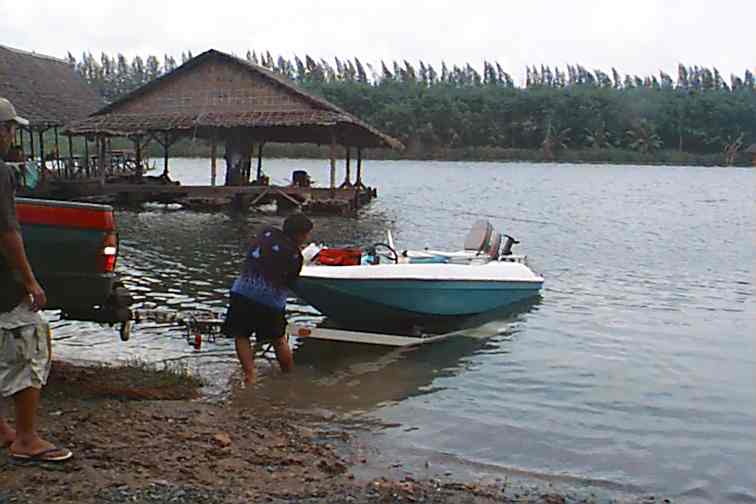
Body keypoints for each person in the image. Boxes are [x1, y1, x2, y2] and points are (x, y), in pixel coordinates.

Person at [0, 97, 72, 462]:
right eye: (11, 129)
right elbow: (8, 233)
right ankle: (26, 439)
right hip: (2, 285)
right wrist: (30, 281)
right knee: (30, 346)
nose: (12, 136)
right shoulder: (0, 173)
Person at [223, 214, 313, 384]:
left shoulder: (266, 232)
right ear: (300, 235)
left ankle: (250, 375)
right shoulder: (295, 256)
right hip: (270, 301)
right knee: (278, 339)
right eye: (306, 235)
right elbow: (290, 280)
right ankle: (288, 376)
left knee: (242, 336)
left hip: (242, 292)